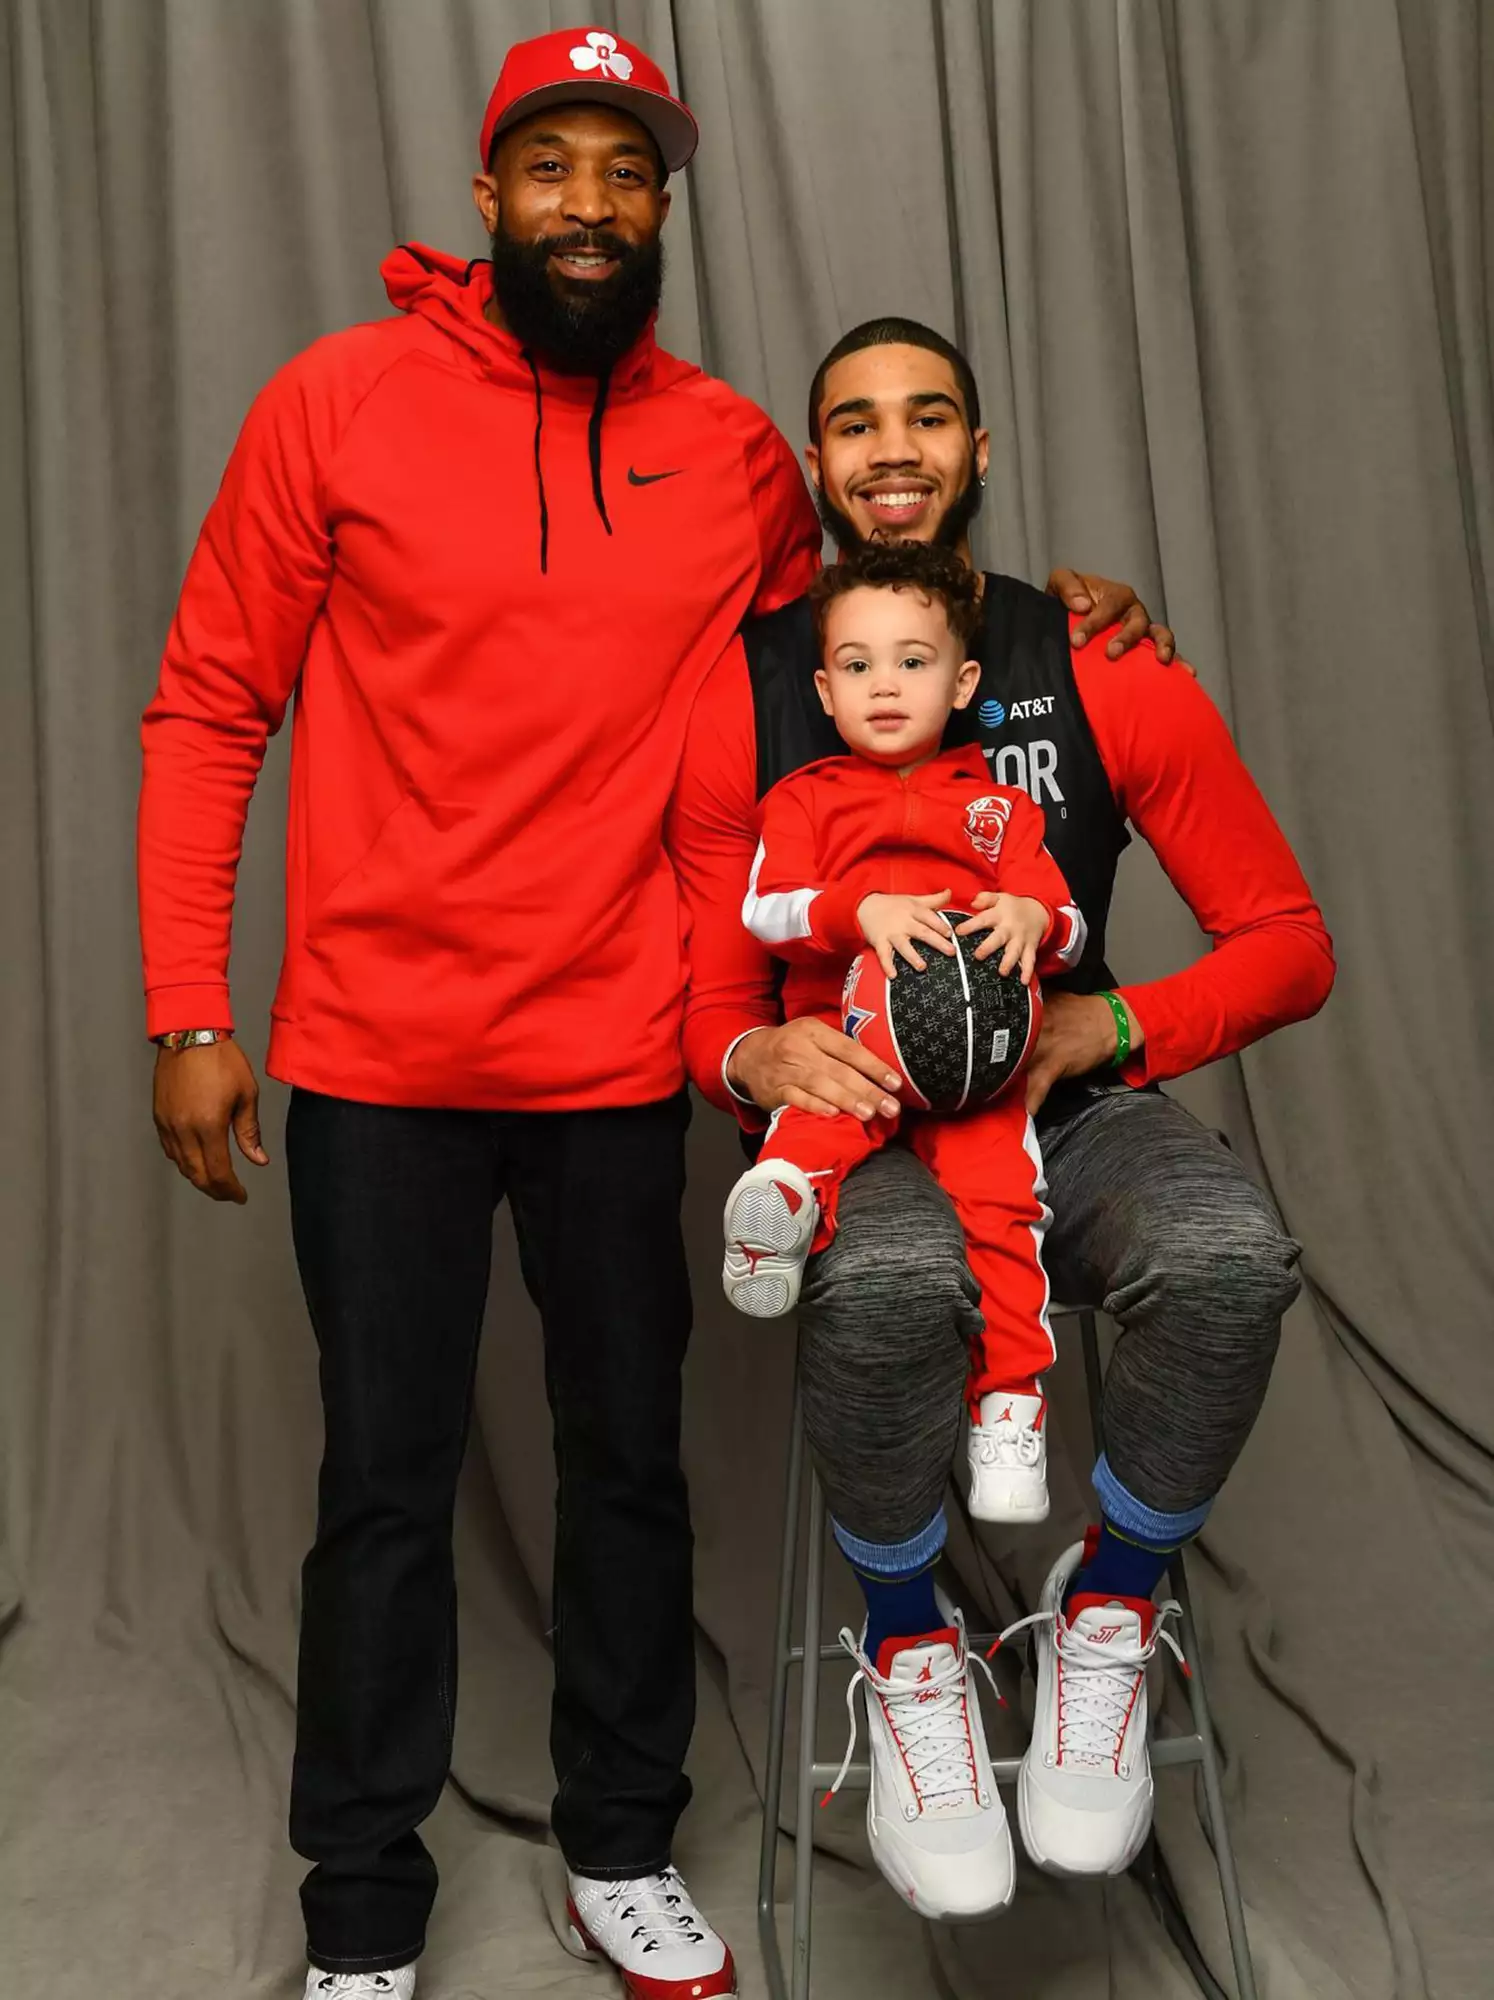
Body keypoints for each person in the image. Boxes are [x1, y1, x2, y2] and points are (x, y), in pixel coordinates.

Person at [138, 28, 824, 2000]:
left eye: (628, 172)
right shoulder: (336, 405)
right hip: (379, 1058)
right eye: (556, 168)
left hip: (619, 1058)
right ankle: (361, 1907)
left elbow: (860, 663)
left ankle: (623, 1843)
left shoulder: (732, 452)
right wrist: (191, 1002)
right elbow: (206, 707)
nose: (592, 207)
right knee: (382, 1481)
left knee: (628, 1462)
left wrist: (1063, 627)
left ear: (665, 207)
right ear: (488, 194)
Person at [668, 316, 1336, 1914]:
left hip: (1059, 1098)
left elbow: (1288, 941)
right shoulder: (742, 690)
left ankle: (1105, 1608)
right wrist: (755, 1068)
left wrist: (1106, 1021)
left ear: (979, 450)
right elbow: (708, 1001)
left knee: (1232, 1256)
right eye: (853, 422)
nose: (891, 448)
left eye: (928, 417)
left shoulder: (1099, 658)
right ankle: (908, 1652)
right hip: (851, 1107)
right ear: (814, 462)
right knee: (893, 1281)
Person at [724, 540, 1083, 1539]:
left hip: (977, 1074)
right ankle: (777, 1211)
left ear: (962, 679)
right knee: (814, 1126)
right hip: (854, 1044)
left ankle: (1010, 1405)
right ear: (825, 690)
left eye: (914, 661)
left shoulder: (1001, 809)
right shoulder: (801, 799)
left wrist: (1032, 920)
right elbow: (767, 908)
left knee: (1007, 1211)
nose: (886, 683)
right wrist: (858, 908)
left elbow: (1071, 924)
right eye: (858, 664)